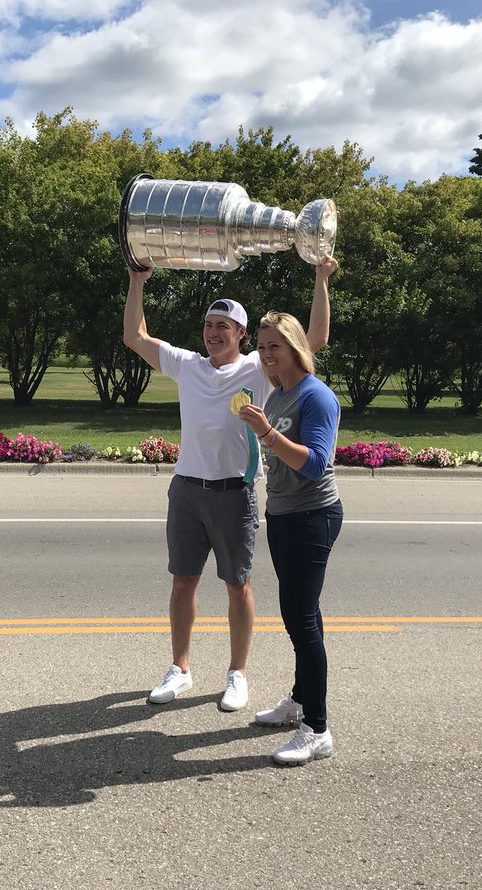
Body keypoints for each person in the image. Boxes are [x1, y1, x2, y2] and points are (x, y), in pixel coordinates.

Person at [123, 255, 337, 712]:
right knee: (183, 582)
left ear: (241, 334)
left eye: (224, 325)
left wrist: (321, 279)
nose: (213, 332)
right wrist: (136, 282)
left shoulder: (258, 368)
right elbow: (134, 337)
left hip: (233, 493)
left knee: (237, 585)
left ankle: (237, 674)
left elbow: (313, 340)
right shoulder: (187, 365)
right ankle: (180, 669)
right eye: (209, 324)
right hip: (186, 489)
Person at [235, 307, 343, 766]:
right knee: (304, 615)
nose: (264, 355)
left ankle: (316, 729)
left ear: (295, 347)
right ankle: (300, 699)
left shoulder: (315, 397)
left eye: (273, 346)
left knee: (300, 620)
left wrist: (266, 435)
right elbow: (275, 459)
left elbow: (316, 462)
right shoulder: (278, 395)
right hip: (282, 514)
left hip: (312, 517)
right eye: (260, 347)